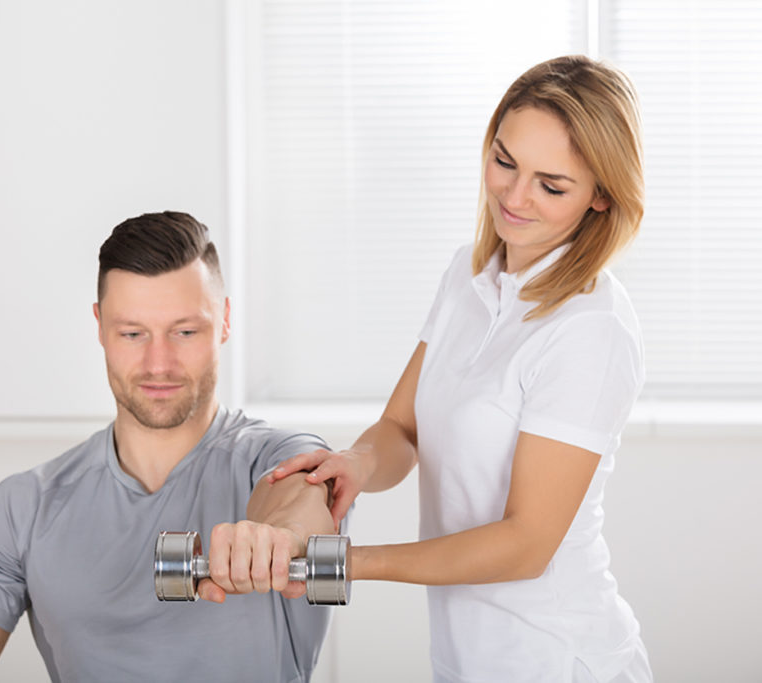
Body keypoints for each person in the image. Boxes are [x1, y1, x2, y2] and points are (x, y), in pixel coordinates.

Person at [270, 55, 653, 682]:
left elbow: (526, 544)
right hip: (466, 659)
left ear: (602, 198)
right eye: (505, 161)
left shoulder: (591, 330)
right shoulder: (472, 276)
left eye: (551, 185)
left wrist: (343, 562)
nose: (514, 195)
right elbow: (403, 427)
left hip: (555, 658)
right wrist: (357, 465)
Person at [0, 211, 337, 683]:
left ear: (225, 321)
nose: (159, 363)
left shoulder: (279, 458)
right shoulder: (24, 508)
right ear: (100, 325)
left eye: (185, 332)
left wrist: (278, 539)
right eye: (132, 334)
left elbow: (300, 501)